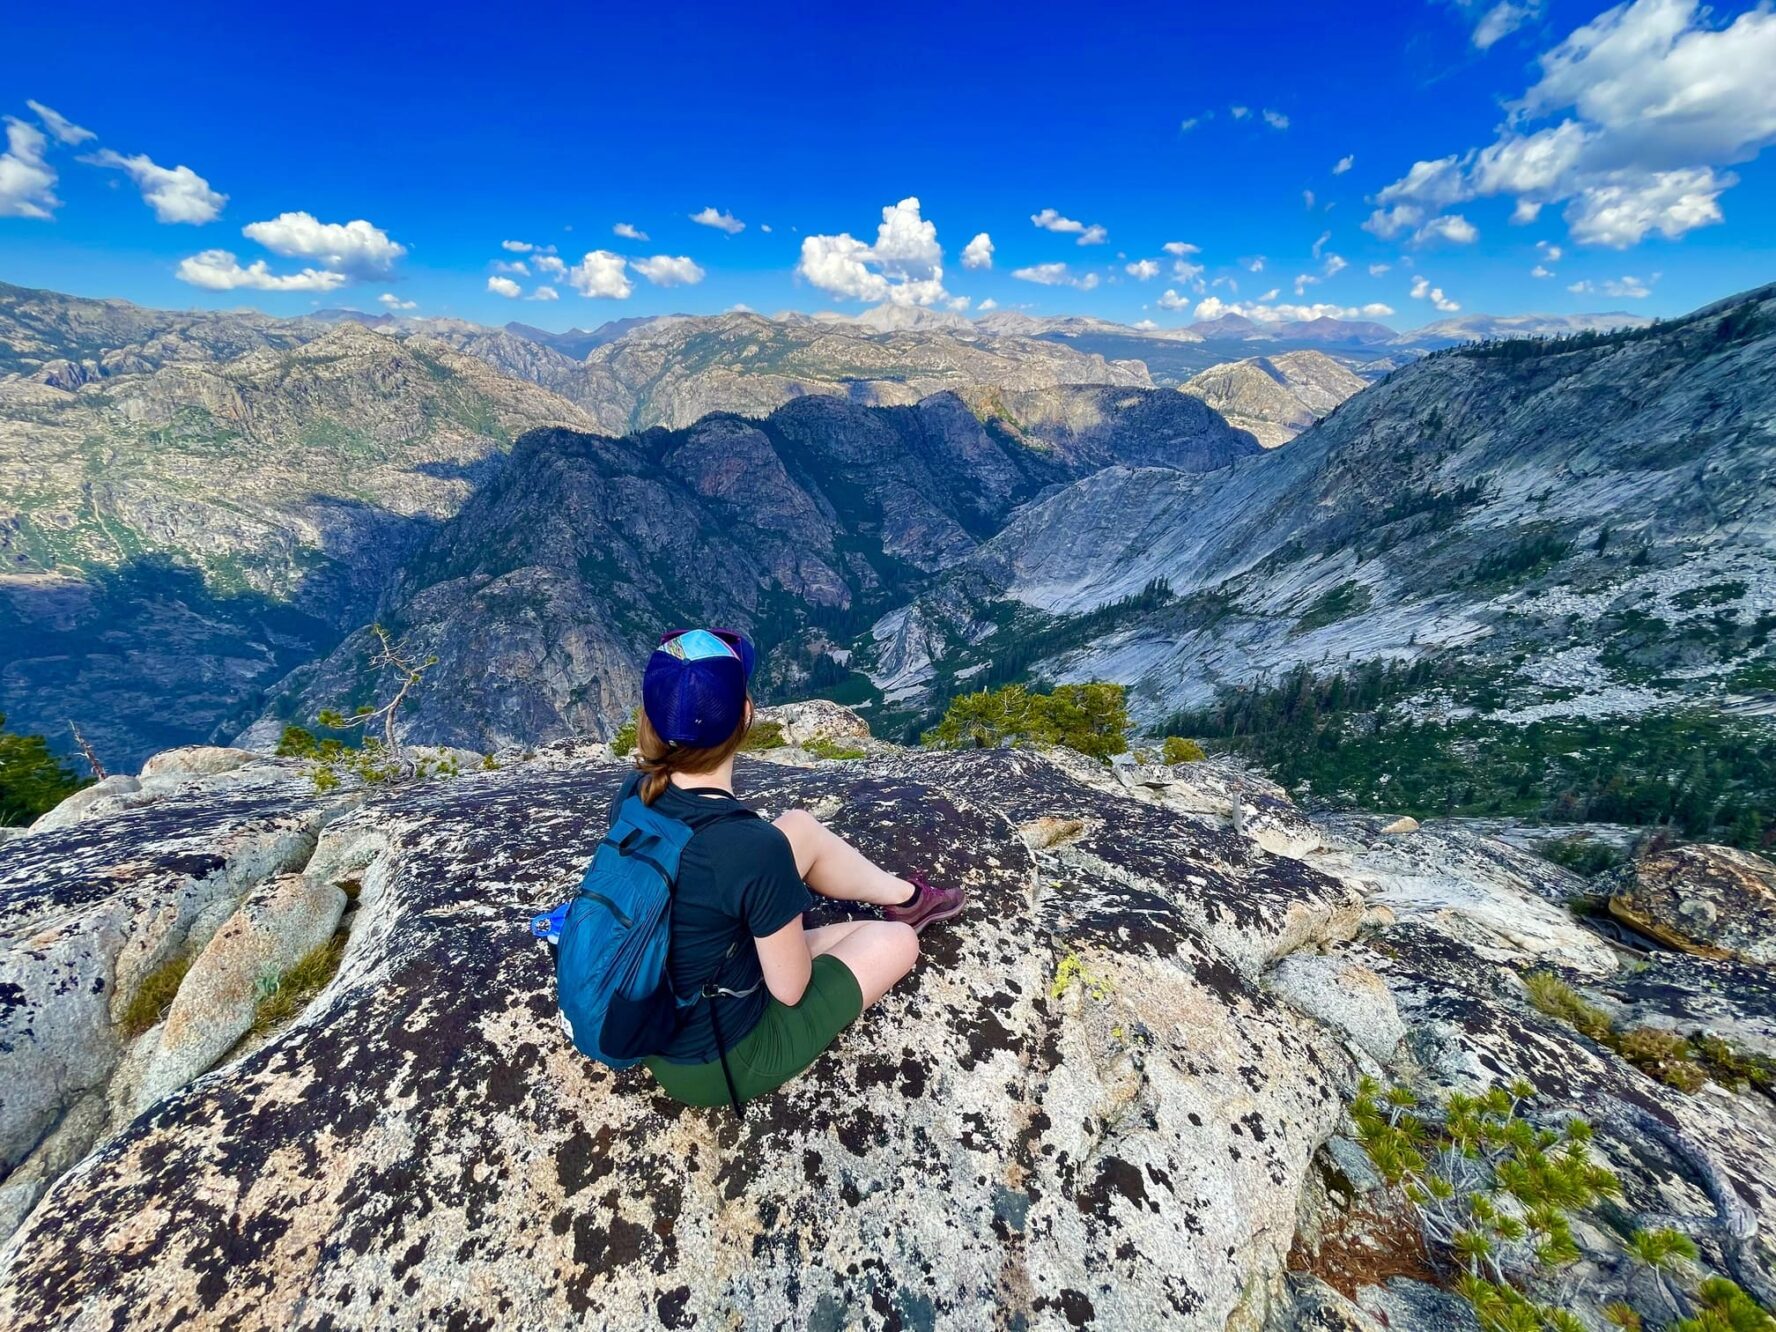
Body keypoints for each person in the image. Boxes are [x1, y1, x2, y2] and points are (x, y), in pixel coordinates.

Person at [625, 627, 965, 1108]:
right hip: (713, 1059)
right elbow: (789, 989)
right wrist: (793, 928)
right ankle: (903, 918)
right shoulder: (749, 846)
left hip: (650, 998)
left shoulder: (639, 792)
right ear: (745, 716)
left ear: (651, 722)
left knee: (798, 828)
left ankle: (906, 898)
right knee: (897, 943)